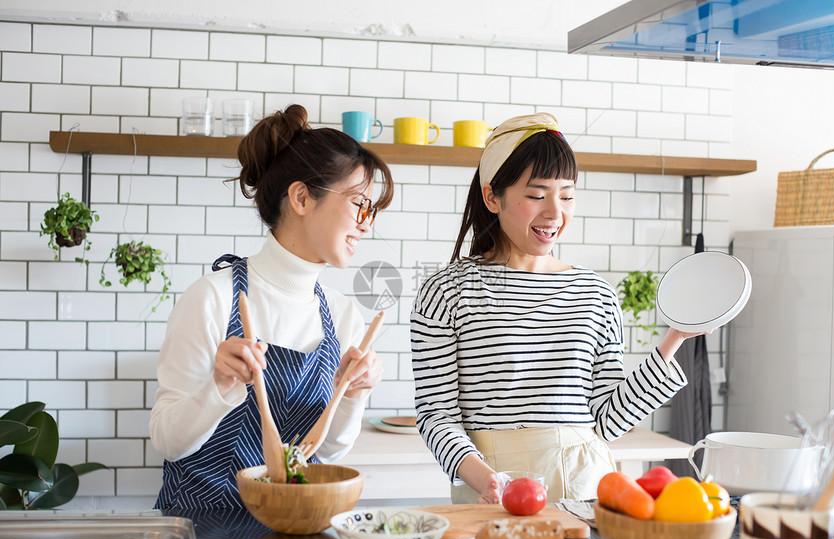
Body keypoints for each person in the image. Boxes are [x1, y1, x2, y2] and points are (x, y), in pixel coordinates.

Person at [411, 113, 703, 504]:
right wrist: (487, 480)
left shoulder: (595, 293)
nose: (554, 213)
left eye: (566, 196)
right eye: (536, 195)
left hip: (586, 487)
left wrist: (675, 337)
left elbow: (608, 421)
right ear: (491, 196)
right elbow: (437, 415)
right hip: (491, 489)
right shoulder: (447, 291)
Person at [150, 104, 393, 509]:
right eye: (358, 203)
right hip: (203, 531)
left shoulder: (342, 314)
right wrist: (220, 386)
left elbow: (327, 454)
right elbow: (167, 442)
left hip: (296, 524)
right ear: (301, 197)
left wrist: (353, 394)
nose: (367, 223)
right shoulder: (213, 298)